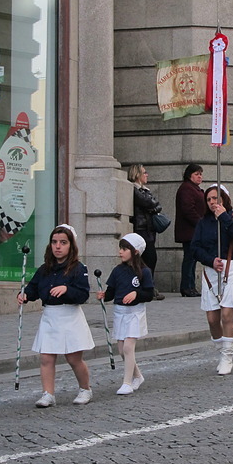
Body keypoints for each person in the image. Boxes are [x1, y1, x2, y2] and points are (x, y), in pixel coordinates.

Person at [19, 224, 94, 407]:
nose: (58, 246)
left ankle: (85, 389)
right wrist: (25, 295)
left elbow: (83, 294)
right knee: (46, 357)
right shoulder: (45, 268)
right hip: (50, 317)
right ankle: (48, 394)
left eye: (63, 242)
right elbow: (34, 288)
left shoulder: (78, 268)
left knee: (73, 358)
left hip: (70, 316)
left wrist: (67, 289)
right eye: (54, 242)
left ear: (71, 245)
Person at [193, 184, 233, 375]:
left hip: (232, 267)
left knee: (227, 315)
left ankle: (227, 356)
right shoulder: (203, 222)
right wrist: (210, 260)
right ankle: (222, 349)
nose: (212, 202)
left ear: (223, 199)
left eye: (215, 198)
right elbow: (195, 248)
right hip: (211, 270)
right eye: (208, 200)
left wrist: (224, 217)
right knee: (212, 318)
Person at [96, 233, 153, 395]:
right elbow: (112, 292)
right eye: (120, 248)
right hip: (120, 313)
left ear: (135, 251)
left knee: (128, 347)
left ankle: (127, 382)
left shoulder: (144, 271)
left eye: (125, 249)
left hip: (135, 313)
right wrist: (104, 296)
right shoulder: (117, 270)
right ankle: (138, 376)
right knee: (121, 350)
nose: (121, 252)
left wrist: (136, 294)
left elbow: (149, 294)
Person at [128, 164, 164, 300]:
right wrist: (153, 207)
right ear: (137, 174)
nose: (146, 175)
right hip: (140, 228)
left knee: (151, 258)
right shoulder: (134, 189)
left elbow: (157, 204)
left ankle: (149, 286)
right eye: (144, 172)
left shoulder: (145, 190)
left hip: (149, 229)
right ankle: (148, 287)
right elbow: (149, 203)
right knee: (148, 258)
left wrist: (153, 207)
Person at [174, 163, 206, 297]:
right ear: (189, 175)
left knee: (192, 259)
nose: (200, 177)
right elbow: (188, 210)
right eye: (196, 174)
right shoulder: (187, 189)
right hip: (189, 230)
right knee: (189, 259)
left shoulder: (194, 188)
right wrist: (200, 224)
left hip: (192, 230)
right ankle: (187, 286)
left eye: (200, 174)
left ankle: (191, 286)